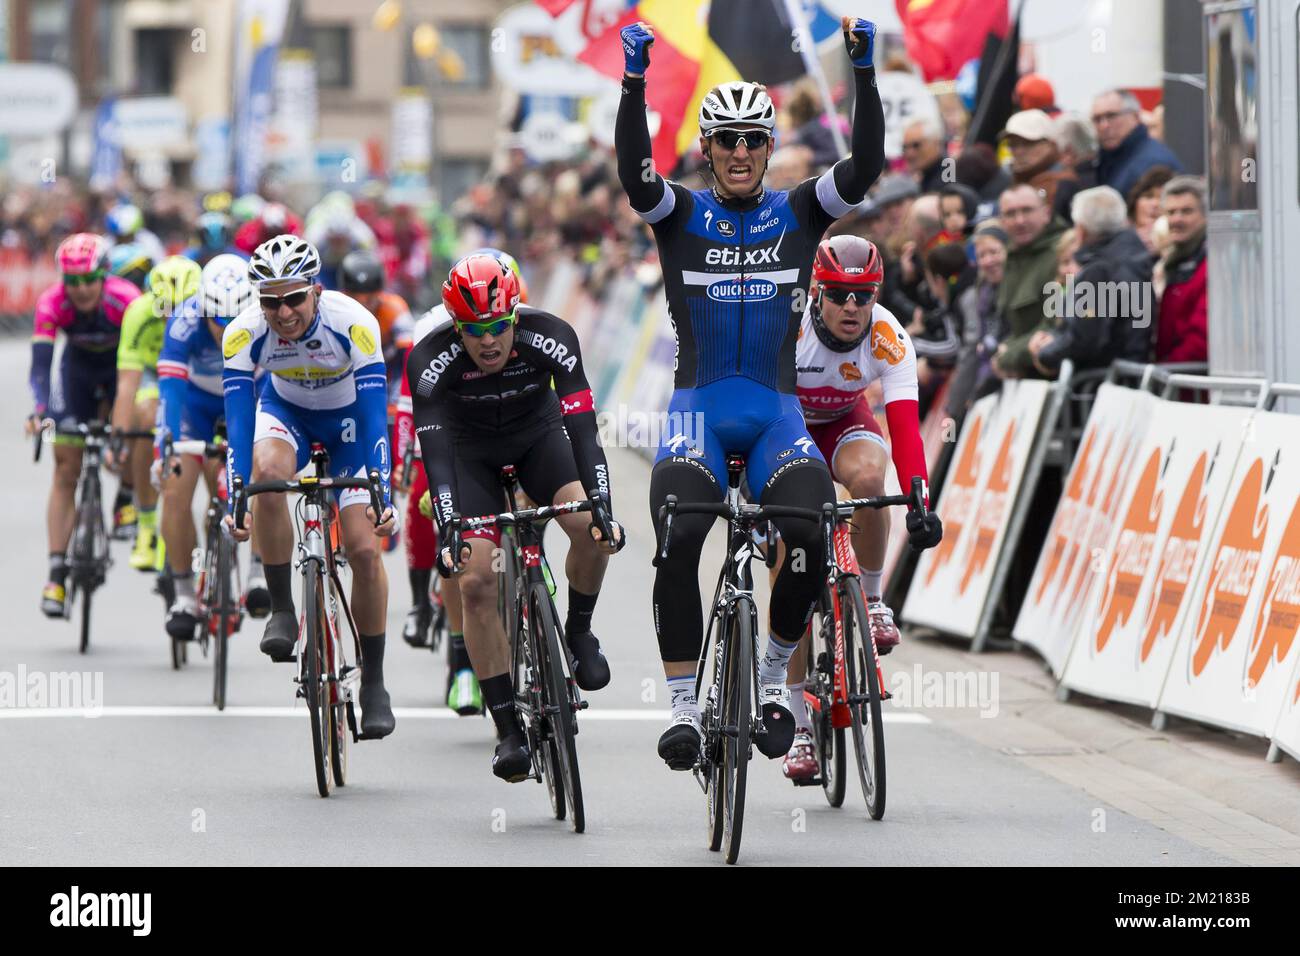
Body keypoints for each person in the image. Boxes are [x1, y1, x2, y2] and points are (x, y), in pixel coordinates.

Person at [616, 16, 922, 773]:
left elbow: (868, 165)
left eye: (756, 140)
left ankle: (775, 684)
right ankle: (686, 708)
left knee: (814, 532)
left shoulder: (800, 211)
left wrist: (864, 72)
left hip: (777, 419)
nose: (744, 153)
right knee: (682, 537)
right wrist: (634, 85)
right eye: (729, 140)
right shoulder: (681, 214)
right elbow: (633, 174)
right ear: (708, 150)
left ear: (770, 148)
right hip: (698, 417)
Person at [407, 253, 624, 781]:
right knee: (476, 580)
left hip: (538, 438)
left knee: (591, 532)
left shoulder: (551, 334)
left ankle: (579, 632)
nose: (488, 341)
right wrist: (451, 528)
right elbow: (434, 455)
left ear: (516, 315)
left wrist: (603, 507)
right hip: (467, 452)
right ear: (455, 325)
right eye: (474, 331)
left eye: (499, 327)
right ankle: (506, 730)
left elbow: (585, 432)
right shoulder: (430, 358)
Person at [222, 234, 398, 739]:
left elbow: (372, 418)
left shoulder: (355, 324)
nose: (283, 312)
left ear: (316, 291)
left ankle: (375, 682)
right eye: (270, 301)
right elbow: (238, 421)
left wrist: (380, 490)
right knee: (269, 474)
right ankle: (281, 608)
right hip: (288, 413)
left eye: (294, 298)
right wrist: (240, 493)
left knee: (365, 550)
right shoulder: (243, 333)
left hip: (349, 427)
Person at [780, 236, 936, 782]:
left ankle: (869, 601)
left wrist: (919, 497)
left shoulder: (889, 336)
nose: (852, 307)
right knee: (791, 564)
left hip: (846, 424)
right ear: (818, 291)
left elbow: (905, 427)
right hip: (784, 430)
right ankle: (799, 724)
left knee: (872, 481)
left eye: (864, 295)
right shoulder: (788, 324)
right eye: (841, 295)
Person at [393, 248, 526, 716]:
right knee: (452, 535)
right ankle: (460, 659)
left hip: (516, 422)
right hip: (454, 431)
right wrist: (410, 468)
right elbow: (413, 409)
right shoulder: (431, 331)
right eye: (476, 325)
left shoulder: (523, 314)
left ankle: (534, 565)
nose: (490, 333)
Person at [27, 234, 142, 616]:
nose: (79, 289)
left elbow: (142, 364)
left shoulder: (125, 299)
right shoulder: (52, 302)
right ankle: (57, 572)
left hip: (119, 369)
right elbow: (41, 365)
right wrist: (40, 409)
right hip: (75, 372)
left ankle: (126, 493)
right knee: (65, 467)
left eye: (87, 279)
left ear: (104, 275)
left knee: (126, 434)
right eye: (71, 281)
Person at [155, 255, 257, 638]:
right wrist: (162, 443)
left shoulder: (262, 319)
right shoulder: (184, 321)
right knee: (176, 490)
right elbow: (170, 389)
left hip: (244, 400)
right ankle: (183, 592)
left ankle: (257, 572)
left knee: (254, 478)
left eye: (236, 319)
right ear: (203, 310)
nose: (228, 328)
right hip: (195, 408)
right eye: (219, 320)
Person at [109, 255, 197, 573]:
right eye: (165, 310)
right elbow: (126, 384)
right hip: (152, 373)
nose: (172, 319)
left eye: (181, 310)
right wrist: (118, 437)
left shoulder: (208, 313)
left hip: (193, 374)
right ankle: (146, 525)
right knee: (146, 419)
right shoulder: (139, 312)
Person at [1029, 186, 1155, 375]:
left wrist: (1046, 353)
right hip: (1125, 375)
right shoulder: (1135, 259)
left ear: (1081, 230)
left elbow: (1085, 338)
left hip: (1105, 383)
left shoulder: (1100, 270)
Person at [991, 184, 1069, 378]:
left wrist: (1009, 355)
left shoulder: (1063, 254)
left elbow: (1055, 325)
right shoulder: (1011, 257)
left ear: (1046, 213)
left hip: (1051, 374)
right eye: (1010, 214)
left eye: (1027, 210)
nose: (1020, 221)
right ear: (1001, 221)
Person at [1154, 175, 1208, 365]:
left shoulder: (1211, 265)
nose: (1177, 219)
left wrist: (1165, 371)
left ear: (1205, 215)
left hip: (1189, 384)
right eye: (1171, 212)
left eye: (1186, 211)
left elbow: (1201, 339)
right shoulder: (1176, 261)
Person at [1092, 89, 1183, 200]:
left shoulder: (1154, 162)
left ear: (1135, 116)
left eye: (1111, 116)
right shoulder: (1106, 158)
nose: (1104, 126)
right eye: (1097, 119)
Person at [1126, 165, 1175, 254]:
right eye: (1148, 196)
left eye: (1162, 198)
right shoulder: (1118, 240)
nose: (1155, 204)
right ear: (1135, 202)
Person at [902, 115, 948, 194]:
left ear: (936, 143)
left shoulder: (949, 173)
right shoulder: (922, 177)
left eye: (916, 145)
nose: (909, 153)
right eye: (905, 147)